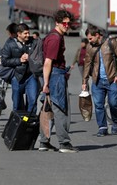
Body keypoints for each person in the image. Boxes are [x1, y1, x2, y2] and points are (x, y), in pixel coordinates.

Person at [39, 9, 79, 153]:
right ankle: (64, 143)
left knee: (47, 110)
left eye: (69, 23)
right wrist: (46, 83)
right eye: (64, 23)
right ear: (57, 22)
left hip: (54, 75)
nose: (67, 26)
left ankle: (44, 142)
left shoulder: (54, 36)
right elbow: (48, 62)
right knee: (61, 110)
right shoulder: (55, 38)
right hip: (55, 76)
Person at [82, 25, 117, 137]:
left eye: (90, 38)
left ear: (97, 35)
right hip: (97, 81)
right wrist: (84, 81)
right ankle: (102, 127)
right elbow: (87, 64)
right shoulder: (90, 47)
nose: (89, 41)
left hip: (112, 79)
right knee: (98, 105)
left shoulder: (111, 43)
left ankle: (115, 122)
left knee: (113, 103)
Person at [1, 23, 39, 113]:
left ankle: (29, 120)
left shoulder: (34, 42)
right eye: (25, 33)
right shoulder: (9, 44)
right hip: (17, 77)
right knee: (17, 103)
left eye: (28, 33)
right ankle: (18, 122)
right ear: (19, 34)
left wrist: (30, 57)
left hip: (31, 76)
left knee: (33, 101)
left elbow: (40, 56)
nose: (28, 35)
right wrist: (19, 60)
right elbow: (4, 61)